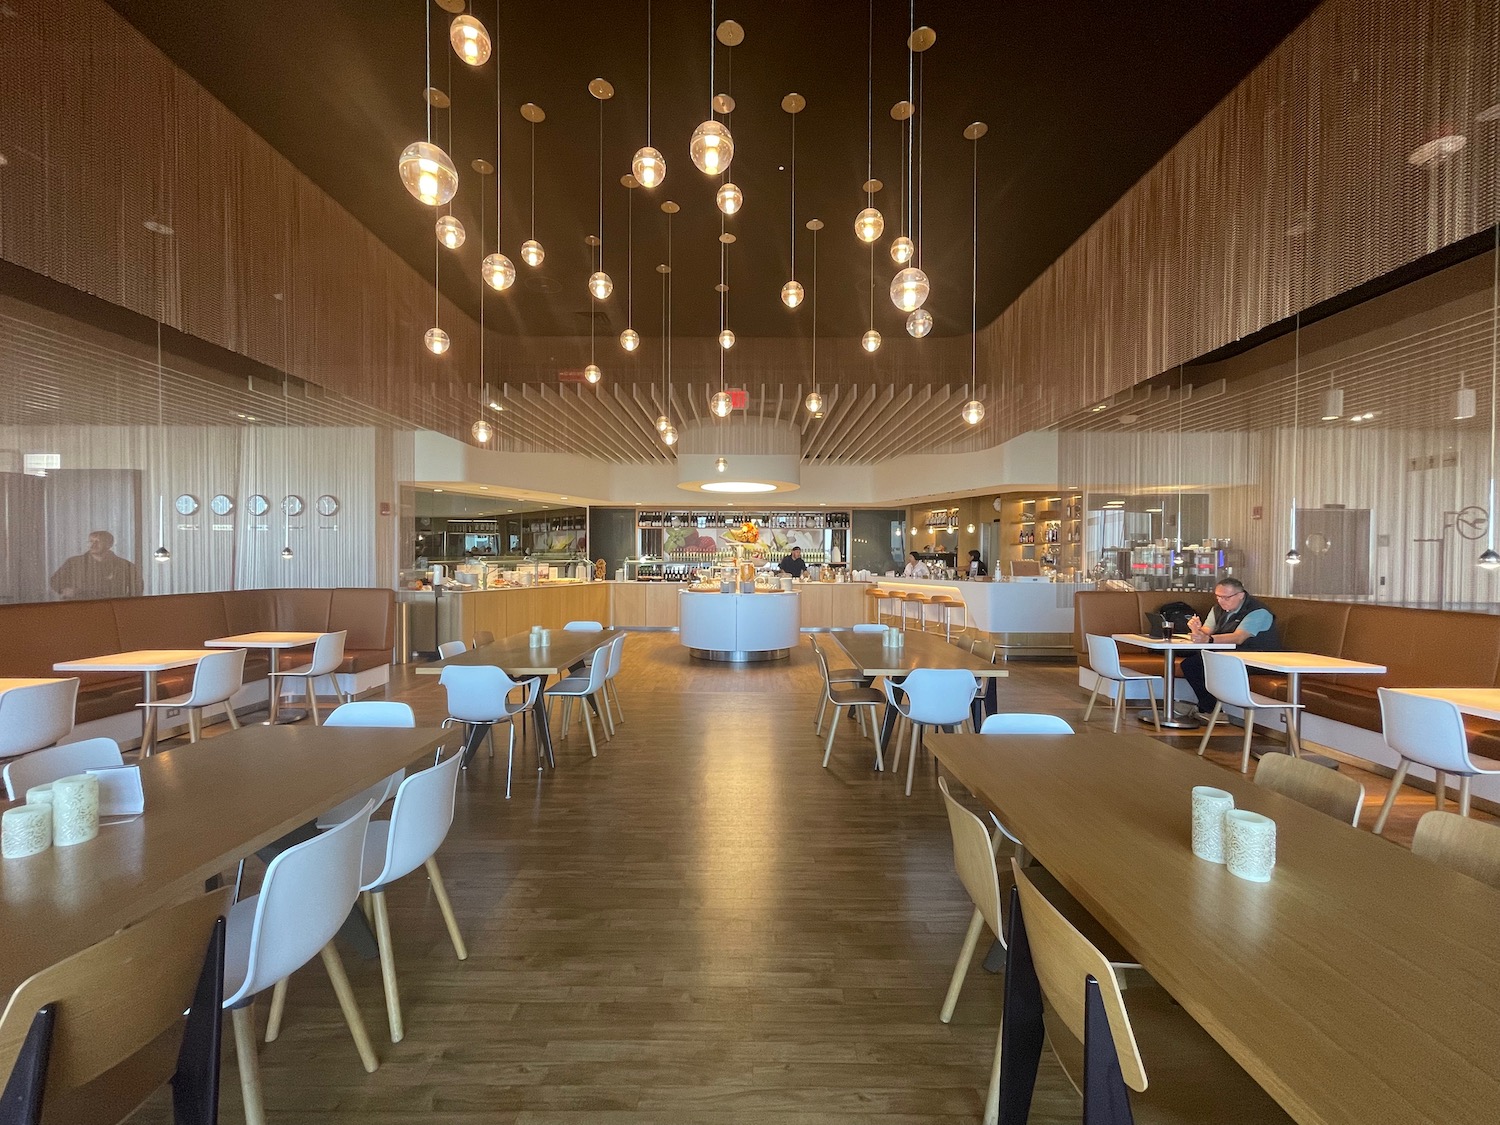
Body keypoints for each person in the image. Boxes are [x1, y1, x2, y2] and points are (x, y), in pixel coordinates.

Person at [1178, 577, 1281, 716]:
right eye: (1218, 597)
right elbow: (1207, 631)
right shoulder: (1218, 609)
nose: (1221, 601)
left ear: (1240, 595)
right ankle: (1210, 709)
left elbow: (1239, 637)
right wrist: (1196, 630)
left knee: (1195, 665)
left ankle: (1211, 710)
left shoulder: (1258, 612)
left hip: (1258, 659)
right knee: (1192, 664)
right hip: (1231, 656)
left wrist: (1208, 639)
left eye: (1226, 597)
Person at [49, 530, 143, 600]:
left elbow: (137, 587)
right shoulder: (73, 563)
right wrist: (64, 589)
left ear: (109, 544)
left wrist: (124, 604)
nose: (93, 545)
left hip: (111, 610)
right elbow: (55, 580)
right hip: (78, 609)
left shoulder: (124, 566)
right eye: (90, 541)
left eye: (97, 541)